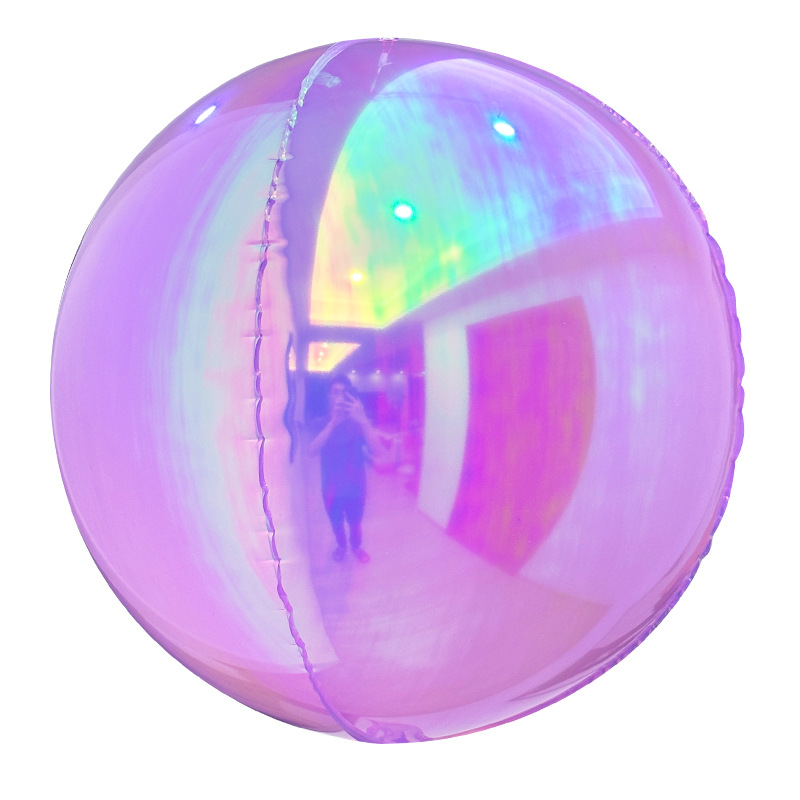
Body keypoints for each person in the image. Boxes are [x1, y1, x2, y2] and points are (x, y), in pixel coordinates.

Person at [308, 375, 383, 562]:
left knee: (356, 523)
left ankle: (356, 547)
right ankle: (341, 546)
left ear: (351, 397)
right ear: (329, 396)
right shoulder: (321, 422)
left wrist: (364, 420)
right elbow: (311, 451)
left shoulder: (358, 423)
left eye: (344, 393)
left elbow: (379, 452)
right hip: (331, 489)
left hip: (356, 488)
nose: (339, 397)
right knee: (336, 523)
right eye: (335, 392)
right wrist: (332, 424)